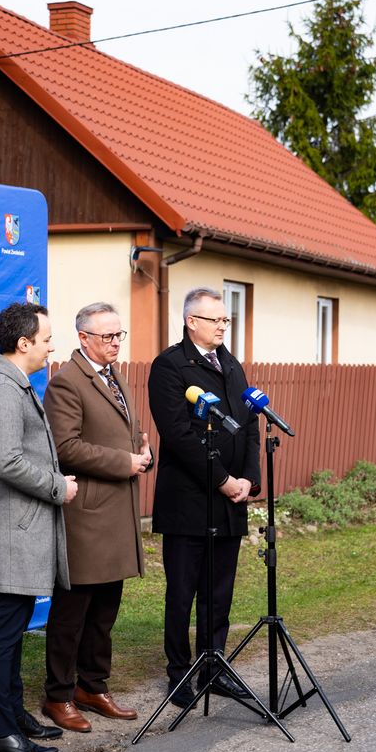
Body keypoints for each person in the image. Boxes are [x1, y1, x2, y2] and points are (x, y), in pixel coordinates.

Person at [0, 302, 78, 752]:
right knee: (4, 634)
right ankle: (0, 733)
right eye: (47, 339)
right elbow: (8, 461)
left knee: (12, 631)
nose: (53, 346)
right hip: (11, 533)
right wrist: (58, 486)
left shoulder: (17, 385)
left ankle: (12, 716)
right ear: (24, 343)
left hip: (21, 531)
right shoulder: (3, 391)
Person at [148, 286, 261, 708]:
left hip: (229, 502)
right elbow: (177, 435)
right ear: (191, 321)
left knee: (219, 593)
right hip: (189, 502)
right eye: (216, 320)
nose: (223, 326)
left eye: (226, 320)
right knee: (182, 593)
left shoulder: (231, 365)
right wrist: (222, 480)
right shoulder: (170, 366)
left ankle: (213, 669)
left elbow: (248, 425)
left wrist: (249, 478)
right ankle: (180, 674)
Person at [42, 302, 152, 732]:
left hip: (116, 513)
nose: (115, 343)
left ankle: (93, 685)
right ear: (83, 338)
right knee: (73, 613)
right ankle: (59, 695)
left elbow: (127, 432)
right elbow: (65, 448)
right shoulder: (67, 382)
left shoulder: (112, 373)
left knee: (106, 610)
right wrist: (122, 461)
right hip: (86, 516)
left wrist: (143, 453)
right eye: (107, 336)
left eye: (119, 335)